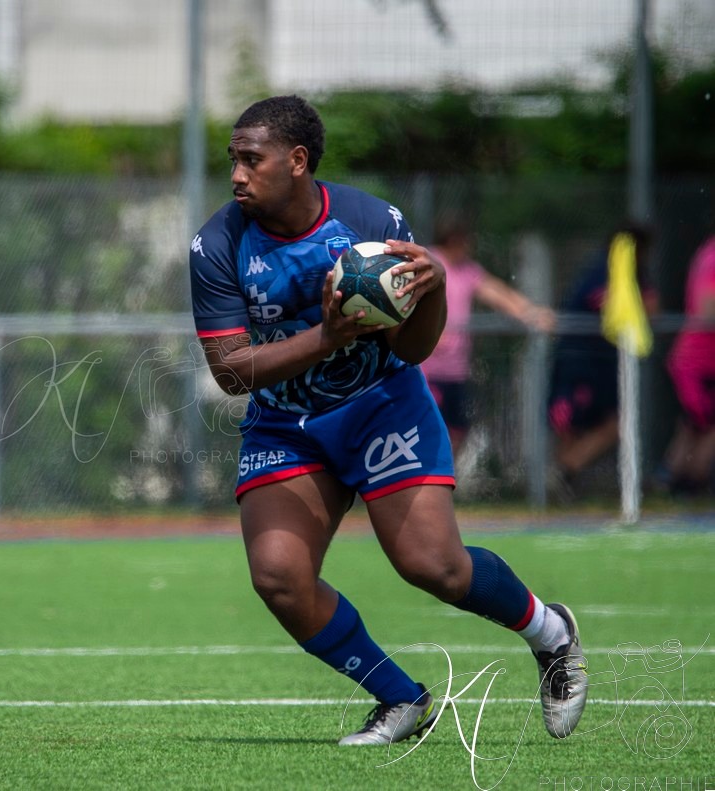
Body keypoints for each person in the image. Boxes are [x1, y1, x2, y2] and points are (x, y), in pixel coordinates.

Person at [188, 95, 587, 746]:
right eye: (232, 159)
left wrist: (427, 292)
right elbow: (231, 371)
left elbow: (411, 349)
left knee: (435, 567)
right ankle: (399, 698)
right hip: (286, 422)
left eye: (249, 160)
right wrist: (328, 334)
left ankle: (550, 632)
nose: (235, 174)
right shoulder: (216, 243)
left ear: (296, 161)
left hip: (380, 405)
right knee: (278, 577)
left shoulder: (371, 221)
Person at [422, 215, 555, 455]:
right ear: (453, 240)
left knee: (457, 431)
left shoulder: (468, 270)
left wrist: (531, 313)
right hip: (427, 368)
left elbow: (496, 292)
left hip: (455, 370)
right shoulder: (429, 261)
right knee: (427, 429)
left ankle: (439, 482)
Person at [547, 223, 658, 498]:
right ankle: (562, 476)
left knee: (616, 424)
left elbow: (651, 308)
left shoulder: (633, 275)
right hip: (579, 366)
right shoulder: (601, 271)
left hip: (603, 367)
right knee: (568, 424)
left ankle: (566, 470)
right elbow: (608, 306)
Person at [660, 233, 715, 494]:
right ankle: (687, 485)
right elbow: (708, 308)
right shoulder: (712, 255)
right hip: (699, 361)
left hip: (699, 361)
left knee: (693, 427)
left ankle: (674, 484)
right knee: (704, 427)